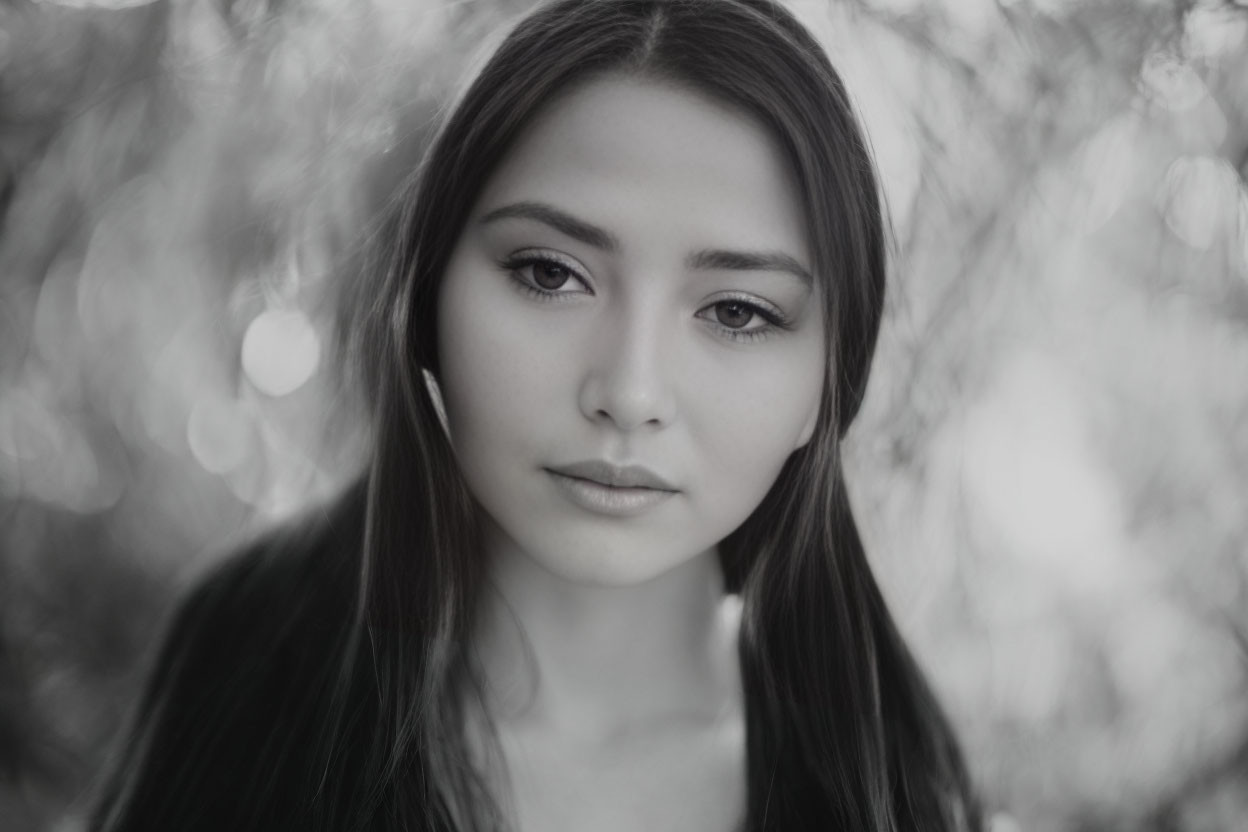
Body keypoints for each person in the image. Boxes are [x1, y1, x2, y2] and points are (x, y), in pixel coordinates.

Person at [88, 0, 982, 829]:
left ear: (829, 384)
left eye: (737, 312)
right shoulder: (255, 664)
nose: (628, 394)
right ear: (428, 295)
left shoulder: (888, 774)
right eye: (550, 274)